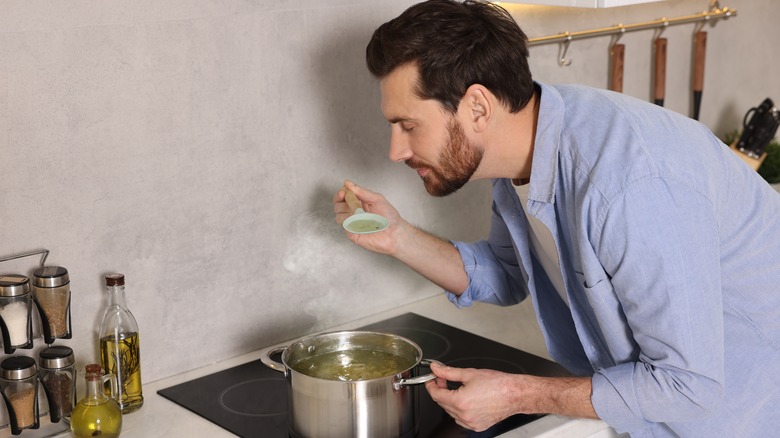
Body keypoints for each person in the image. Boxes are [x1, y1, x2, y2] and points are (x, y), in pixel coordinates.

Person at [332, 0, 780, 436]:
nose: (396, 151)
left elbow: (689, 388)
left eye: (408, 126)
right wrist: (399, 238)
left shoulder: (627, 186)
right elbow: (509, 273)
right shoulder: (526, 147)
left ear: (477, 107)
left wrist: (515, 393)